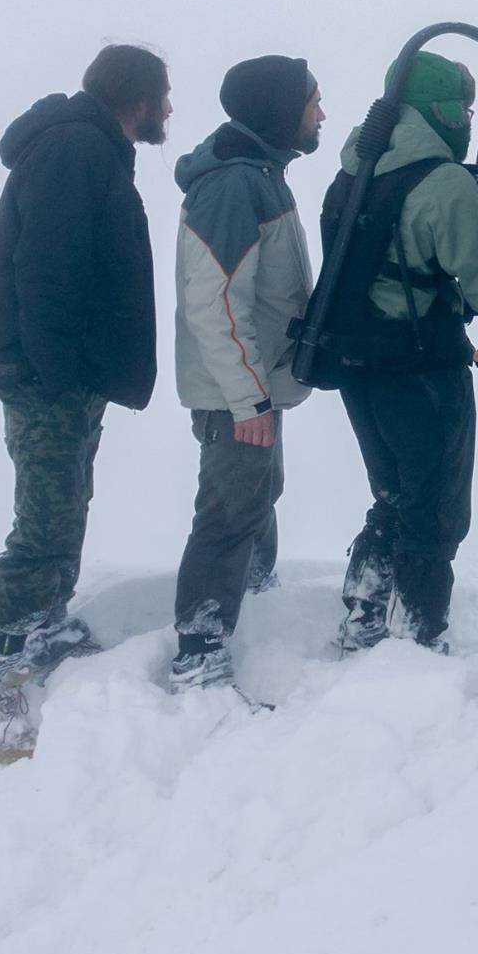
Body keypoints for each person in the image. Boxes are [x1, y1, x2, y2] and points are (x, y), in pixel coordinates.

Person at [0, 44, 168, 762]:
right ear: (138, 97)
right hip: (46, 376)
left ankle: (42, 624)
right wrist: (61, 372)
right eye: (165, 95)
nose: (170, 109)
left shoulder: (91, 146)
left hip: (63, 372)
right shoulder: (76, 148)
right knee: (44, 517)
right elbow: (46, 267)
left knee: (66, 501)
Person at [331, 51, 478, 655]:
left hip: (356, 362)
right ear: (440, 110)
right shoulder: (442, 182)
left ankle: (363, 615)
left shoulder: (356, 167)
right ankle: (415, 642)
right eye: (463, 109)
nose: (467, 121)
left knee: (393, 495)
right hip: (421, 369)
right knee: (435, 512)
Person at [168, 57, 324, 697]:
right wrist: (247, 400)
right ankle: (199, 653)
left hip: (254, 383)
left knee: (260, 492)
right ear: (279, 110)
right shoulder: (233, 187)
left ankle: (258, 597)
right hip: (237, 391)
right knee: (229, 513)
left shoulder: (261, 175)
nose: (321, 113)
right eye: (313, 101)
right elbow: (215, 303)